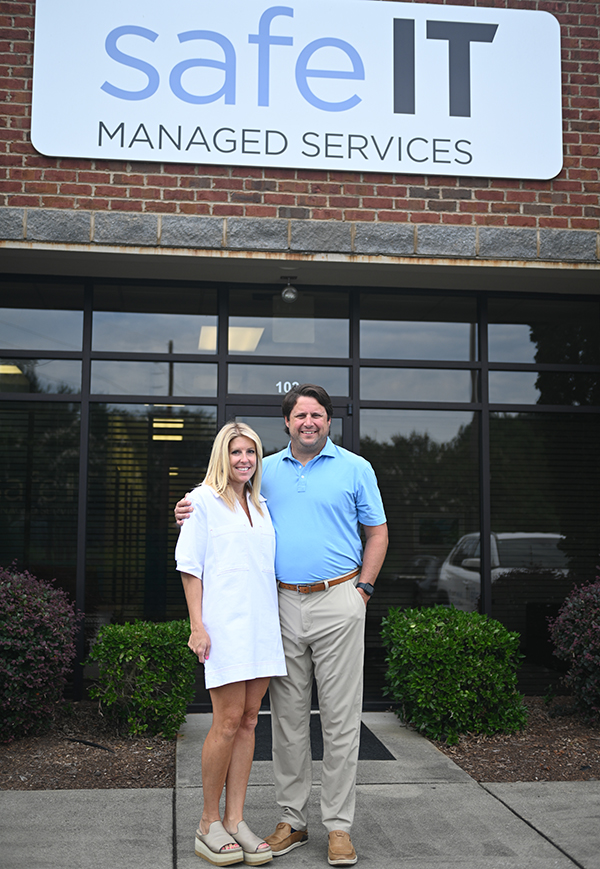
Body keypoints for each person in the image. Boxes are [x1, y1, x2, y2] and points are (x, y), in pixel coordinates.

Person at [176, 385, 388, 866]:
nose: (308, 421)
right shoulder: (262, 470)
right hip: (278, 607)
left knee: (338, 719)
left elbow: (377, 533)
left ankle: (338, 826)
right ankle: (293, 820)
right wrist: (184, 509)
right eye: (299, 415)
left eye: (317, 414)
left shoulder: (357, 468)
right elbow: (214, 502)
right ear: (287, 423)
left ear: (329, 421)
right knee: (284, 722)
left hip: (339, 598)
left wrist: (363, 592)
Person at [175, 421, 286, 867]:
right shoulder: (200, 502)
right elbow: (190, 568)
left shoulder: (260, 506)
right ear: (223, 455)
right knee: (224, 722)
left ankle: (236, 820)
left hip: (262, 628)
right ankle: (207, 824)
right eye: (236, 452)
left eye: (252, 453)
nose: (244, 460)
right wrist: (196, 626)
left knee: (248, 722)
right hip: (223, 628)